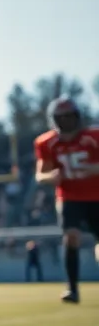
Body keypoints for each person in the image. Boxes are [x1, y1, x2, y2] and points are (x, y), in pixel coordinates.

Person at [34, 97, 99, 303]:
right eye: (62, 118)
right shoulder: (46, 142)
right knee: (71, 237)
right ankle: (72, 289)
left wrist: (94, 169)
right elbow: (40, 174)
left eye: (70, 117)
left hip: (96, 194)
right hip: (69, 196)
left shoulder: (94, 136)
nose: (67, 122)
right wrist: (50, 178)